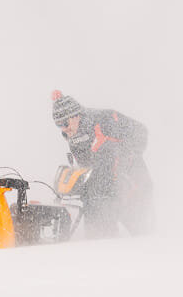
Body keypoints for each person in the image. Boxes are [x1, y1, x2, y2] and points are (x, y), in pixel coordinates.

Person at [50, 90, 154, 237]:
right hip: (103, 191)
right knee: (97, 221)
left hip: (132, 183)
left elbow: (141, 132)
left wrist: (120, 154)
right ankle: (100, 251)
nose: (64, 128)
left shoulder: (104, 119)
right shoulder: (71, 136)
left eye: (65, 123)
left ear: (76, 115)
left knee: (142, 232)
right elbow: (87, 165)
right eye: (58, 125)